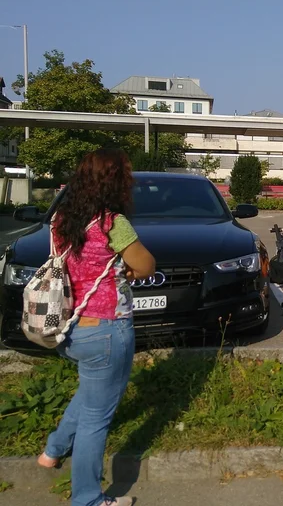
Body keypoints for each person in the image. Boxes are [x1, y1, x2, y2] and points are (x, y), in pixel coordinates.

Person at [37, 149, 156, 506]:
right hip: (106, 330)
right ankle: (87, 499)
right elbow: (146, 265)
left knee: (91, 397)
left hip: (70, 328)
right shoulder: (112, 223)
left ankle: (52, 451)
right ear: (115, 182)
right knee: (96, 419)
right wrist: (124, 270)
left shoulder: (63, 219)